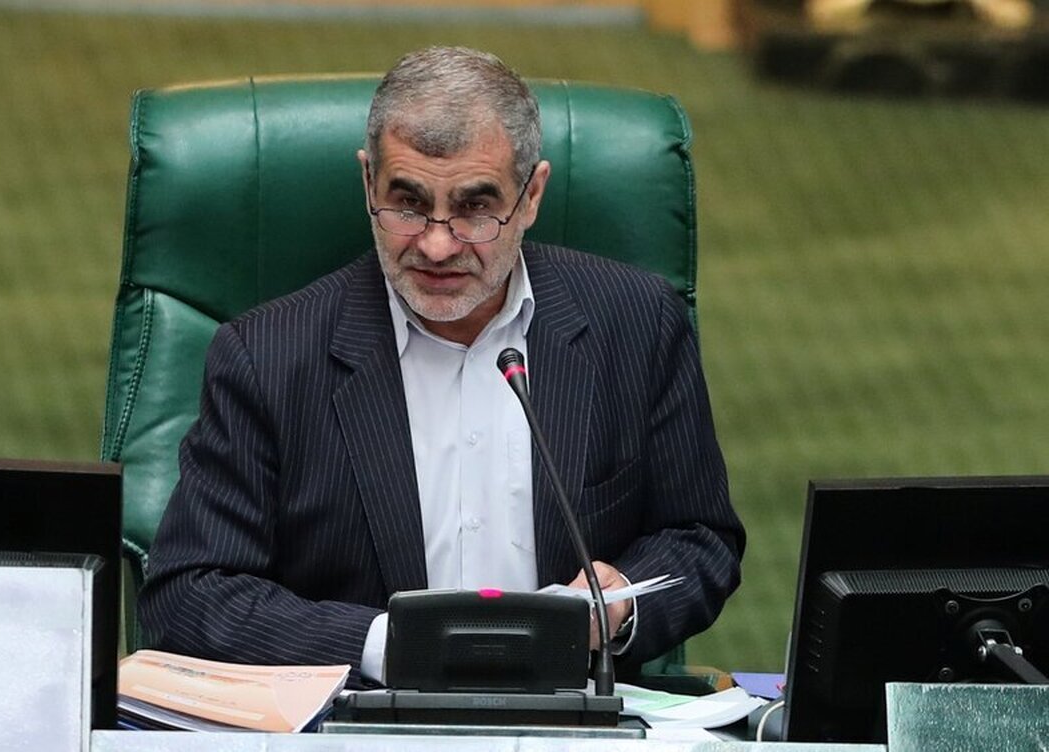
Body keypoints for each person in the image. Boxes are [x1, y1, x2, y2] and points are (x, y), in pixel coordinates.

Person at [140, 46, 744, 689]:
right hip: (363, 722)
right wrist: (389, 646)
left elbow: (699, 538)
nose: (435, 244)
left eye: (475, 208)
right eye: (408, 204)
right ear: (367, 183)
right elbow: (189, 594)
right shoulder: (267, 357)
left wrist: (618, 605)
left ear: (531, 196)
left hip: (570, 719)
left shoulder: (637, 325)